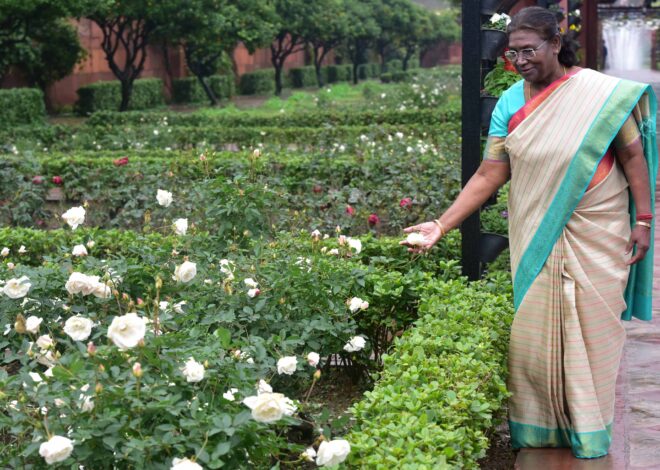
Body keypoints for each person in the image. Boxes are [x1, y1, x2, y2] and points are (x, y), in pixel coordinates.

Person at [401, 6, 658, 460]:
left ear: (556, 43)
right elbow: (489, 174)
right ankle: (542, 429)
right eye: (511, 54)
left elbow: (634, 158)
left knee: (594, 331)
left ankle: (588, 429)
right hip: (537, 227)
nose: (520, 61)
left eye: (529, 51)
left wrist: (643, 221)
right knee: (534, 340)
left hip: (599, 227)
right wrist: (441, 223)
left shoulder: (600, 95)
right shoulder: (509, 103)